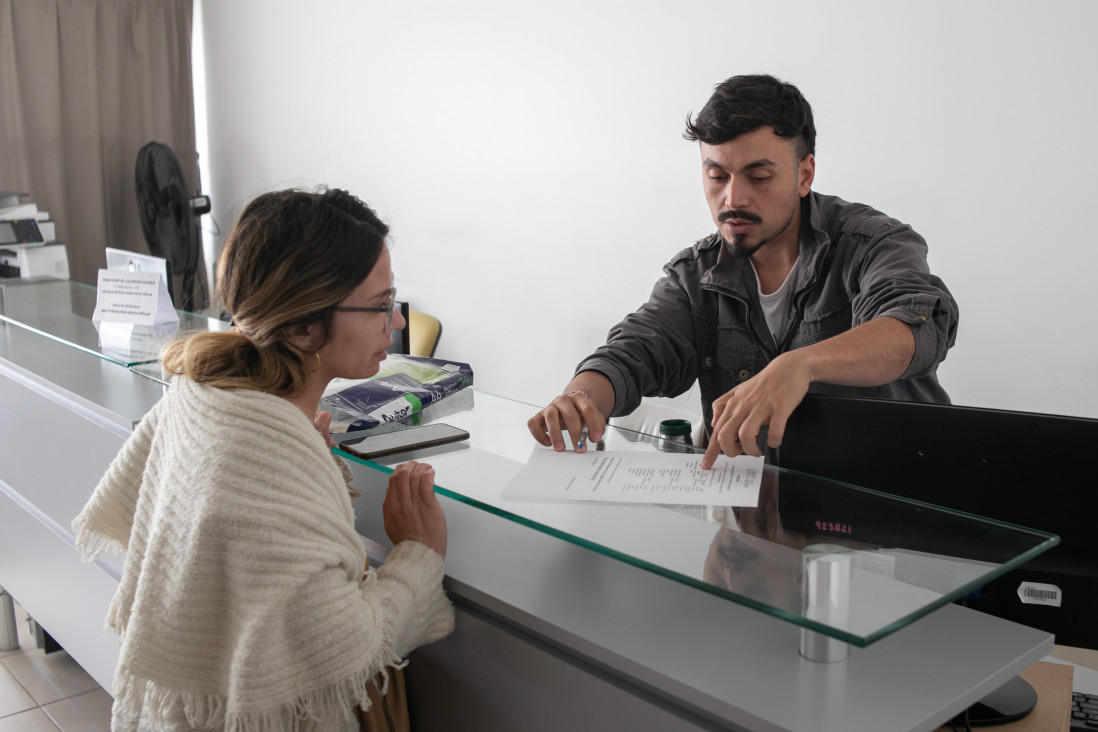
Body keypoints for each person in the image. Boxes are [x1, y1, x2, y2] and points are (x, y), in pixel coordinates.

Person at [72, 188, 454, 731]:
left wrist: (302, 456)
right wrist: (419, 555)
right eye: (377, 305)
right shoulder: (262, 455)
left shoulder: (203, 392)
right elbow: (344, 649)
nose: (394, 322)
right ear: (302, 326)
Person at [528, 74, 958, 468]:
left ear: (804, 174)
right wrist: (579, 398)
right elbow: (634, 350)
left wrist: (800, 365)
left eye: (759, 177)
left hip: (888, 510)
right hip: (755, 521)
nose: (734, 198)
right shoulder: (695, 275)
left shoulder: (872, 243)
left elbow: (914, 327)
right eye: (717, 176)